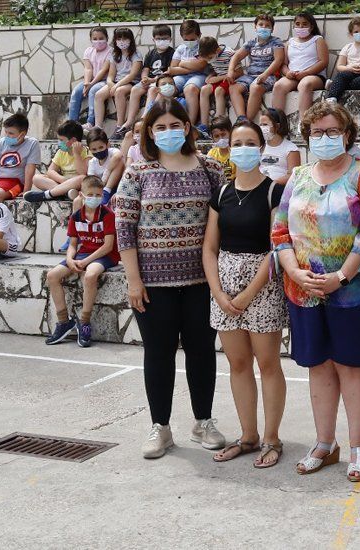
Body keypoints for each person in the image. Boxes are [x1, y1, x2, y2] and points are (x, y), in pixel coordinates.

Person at [272, 101, 360, 482]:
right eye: (317, 132)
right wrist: (293, 270)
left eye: (331, 131)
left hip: (352, 290)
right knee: (318, 365)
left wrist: (341, 275)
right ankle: (325, 443)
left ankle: (359, 445)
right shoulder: (298, 175)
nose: (324, 138)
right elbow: (280, 231)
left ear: (347, 134)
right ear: (307, 137)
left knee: (351, 366)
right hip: (303, 289)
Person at [114, 98, 227, 459]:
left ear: (188, 128)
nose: (168, 132)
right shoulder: (137, 173)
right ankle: (160, 427)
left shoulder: (210, 169)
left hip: (201, 283)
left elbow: (221, 224)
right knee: (158, 355)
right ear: (149, 132)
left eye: (174, 125)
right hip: (152, 285)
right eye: (159, 127)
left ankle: (203, 422)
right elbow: (124, 229)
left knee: (201, 353)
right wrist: (134, 280)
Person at [205, 120, 288, 469]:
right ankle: (248, 435)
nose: (242, 148)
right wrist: (220, 293)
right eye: (236, 142)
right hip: (225, 290)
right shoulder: (221, 194)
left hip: (263, 288)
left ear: (261, 146)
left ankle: (272, 438)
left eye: (249, 142)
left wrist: (246, 294)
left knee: (268, 364)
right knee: (238, 364)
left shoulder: (274, 192)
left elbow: (276, 248)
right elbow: (209, 249)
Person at [44, 175, 119, 348]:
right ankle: (64, 322)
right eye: (90, 194)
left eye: (98, 195)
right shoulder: (76, 216)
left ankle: (84, 322)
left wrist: (84, 263)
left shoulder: (108, 215)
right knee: (53, 275)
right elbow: (72, 244)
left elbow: (108, 247)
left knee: (90, 275)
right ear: (82, 194)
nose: (94, 198)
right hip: (82, 254)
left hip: (104, 255)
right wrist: (70, 259)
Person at [121, 24, 174, 139]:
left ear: (170, 39)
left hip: (161, 81)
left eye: (165, 38)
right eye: (159, 39)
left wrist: (153, 80)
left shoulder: (172, 53)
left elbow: (169, 72)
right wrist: (144, 78)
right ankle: (129, 121)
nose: (162, 41)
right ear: (153, 39)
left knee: (152, 90)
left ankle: (146, 115)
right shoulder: (151, 53)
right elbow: (145, 69)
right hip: (149, 79)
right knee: (135, 89)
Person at [229, 14, 285, 123]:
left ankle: (247, 122)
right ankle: (241, 118)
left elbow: (278, 60)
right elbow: (236, 56)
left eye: (267, 25)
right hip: (250, 76)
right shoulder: (251, 43)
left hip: (268, 76)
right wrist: (230, 71)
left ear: (272, 29)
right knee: (233, 88)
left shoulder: (276, 42)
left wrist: (265, 74)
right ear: (255, 26)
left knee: (255, 87)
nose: (263, 27)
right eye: (261, 24)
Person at [273, 13, 329, 118]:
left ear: (311, 26)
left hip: (314, 76)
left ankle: (303, 122)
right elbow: (284, 64)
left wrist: (306, 73)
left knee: (304, 85)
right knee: (278, 86)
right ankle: (277, 122)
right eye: (297, 24)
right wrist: (287, 73)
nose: (300, 27)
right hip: (293, 76)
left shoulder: (318, 40)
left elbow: (323, 61)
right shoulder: (290, 42)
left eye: (304, 24)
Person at [26, 120, 91, 202]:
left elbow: (83, 173)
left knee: (83, 178)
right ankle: (65, 193)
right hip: (64, 184)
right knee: (36, 178)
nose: (59, 143)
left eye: (61, 140)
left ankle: (49, 194)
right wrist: (63, 180)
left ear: (73, 140)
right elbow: (50, 171)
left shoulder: (87, 152)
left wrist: (77, 154)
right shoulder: (61, 152)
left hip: (78, 185)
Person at [96, 28, 142, 138]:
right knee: (99, 95)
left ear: (130, 40)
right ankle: (98, 127)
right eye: (119, 38)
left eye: (125, 38)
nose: (122, 41)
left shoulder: (136, 55)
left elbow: (132, 74)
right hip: (116, 82)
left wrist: (116, 86)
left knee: (119, 92)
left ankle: (120, 125)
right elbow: (111, 75)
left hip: (131, 82)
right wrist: (111, 83)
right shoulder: (115, 55)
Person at [68, 26, 112, 129]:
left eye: (101, 38)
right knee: (76, 92)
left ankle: (90, 122)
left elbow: (104, 70)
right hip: (90, 80)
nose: (98, 41)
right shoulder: (88, 51)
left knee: (93, 91)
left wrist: (91, 85)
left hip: (104, 81)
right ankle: (72, 123)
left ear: (107, 38)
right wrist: (86, 83)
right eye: (95, 39)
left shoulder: (111, 51)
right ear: (91, 40)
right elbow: (88, 69)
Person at [196, 36, 242, 135]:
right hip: (219, 77)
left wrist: (221, 78)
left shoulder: (229, 54)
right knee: (204, 89)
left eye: (209, 58)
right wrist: (211, 76)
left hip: (230, 79)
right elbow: (214, 69)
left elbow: (239, 72)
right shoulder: (209, 54)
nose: (208, 61)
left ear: (217, 50)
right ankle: (204, 125)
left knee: (219, 91)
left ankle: (218, 123)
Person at [166, 19, 206, 125]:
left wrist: (182, 63)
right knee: (167, 88)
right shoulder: (180, 48)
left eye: (192, 39)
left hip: (199, 76)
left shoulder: (203, 46)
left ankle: (191, 124)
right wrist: (193, 65)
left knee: (190, 89)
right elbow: (172, 69)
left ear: (199, 35)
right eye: (186, 39)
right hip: (181, 76)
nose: (189, 42)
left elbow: (201, 66)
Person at [258, 108, 302, 185]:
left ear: (277, 126)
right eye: (260, 125)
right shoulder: (260, 147)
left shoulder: (291, 149)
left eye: (265, 125)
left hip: (279, 190)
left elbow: (293, 175)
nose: (262, 128)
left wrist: (271, 184)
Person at [83, 128, 124, 206]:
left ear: (107, 144)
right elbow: (92, 182)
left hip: (116, 186)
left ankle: (107, 191)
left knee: (119, 162)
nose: (98, 151)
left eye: (101, 147)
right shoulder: (92, 162)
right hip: (100, 190)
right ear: (89, 149)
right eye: (94, 149)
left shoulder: (112, 152)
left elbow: (118, 155)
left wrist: (107, 171)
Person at [206, 117, 236, 183]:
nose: (221, 138)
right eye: (217, 136)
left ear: (231, 133)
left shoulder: (236, 152)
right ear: (212, 138)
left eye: (223, 134)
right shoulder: (211, 153)